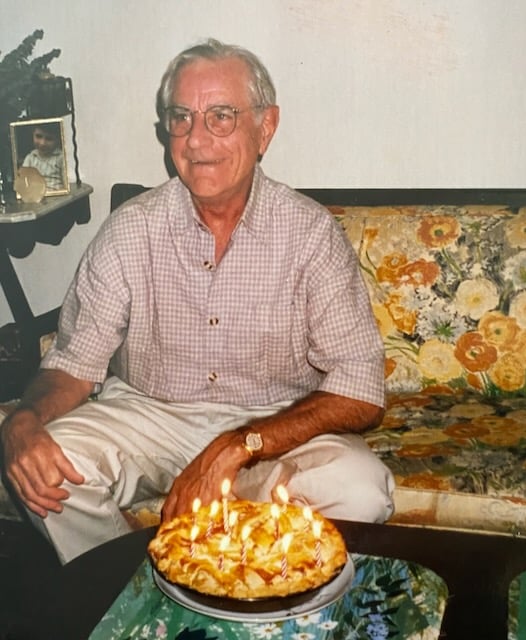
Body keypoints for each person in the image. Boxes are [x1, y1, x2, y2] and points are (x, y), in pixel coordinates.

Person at [0, 38, 394, 563]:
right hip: (146, 415)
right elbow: (74, 365)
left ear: (266, 128)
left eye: (222, 116)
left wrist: (241, 443)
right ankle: (131, 588)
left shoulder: (310, 235)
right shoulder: (130, 230)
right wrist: (22, 421)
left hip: (270, 427)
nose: (197, 138)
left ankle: (244, 593)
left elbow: (361, 390)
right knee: (47, 467)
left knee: (360, 489)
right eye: (181, 117)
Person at [21, 122, 65, 191]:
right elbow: (23, 183)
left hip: (57, 196)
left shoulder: (60, 157)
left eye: (49, 139)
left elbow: (67, 184)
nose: (42, 143)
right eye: (38, 136)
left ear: (57, 140)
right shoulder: (30, 158)